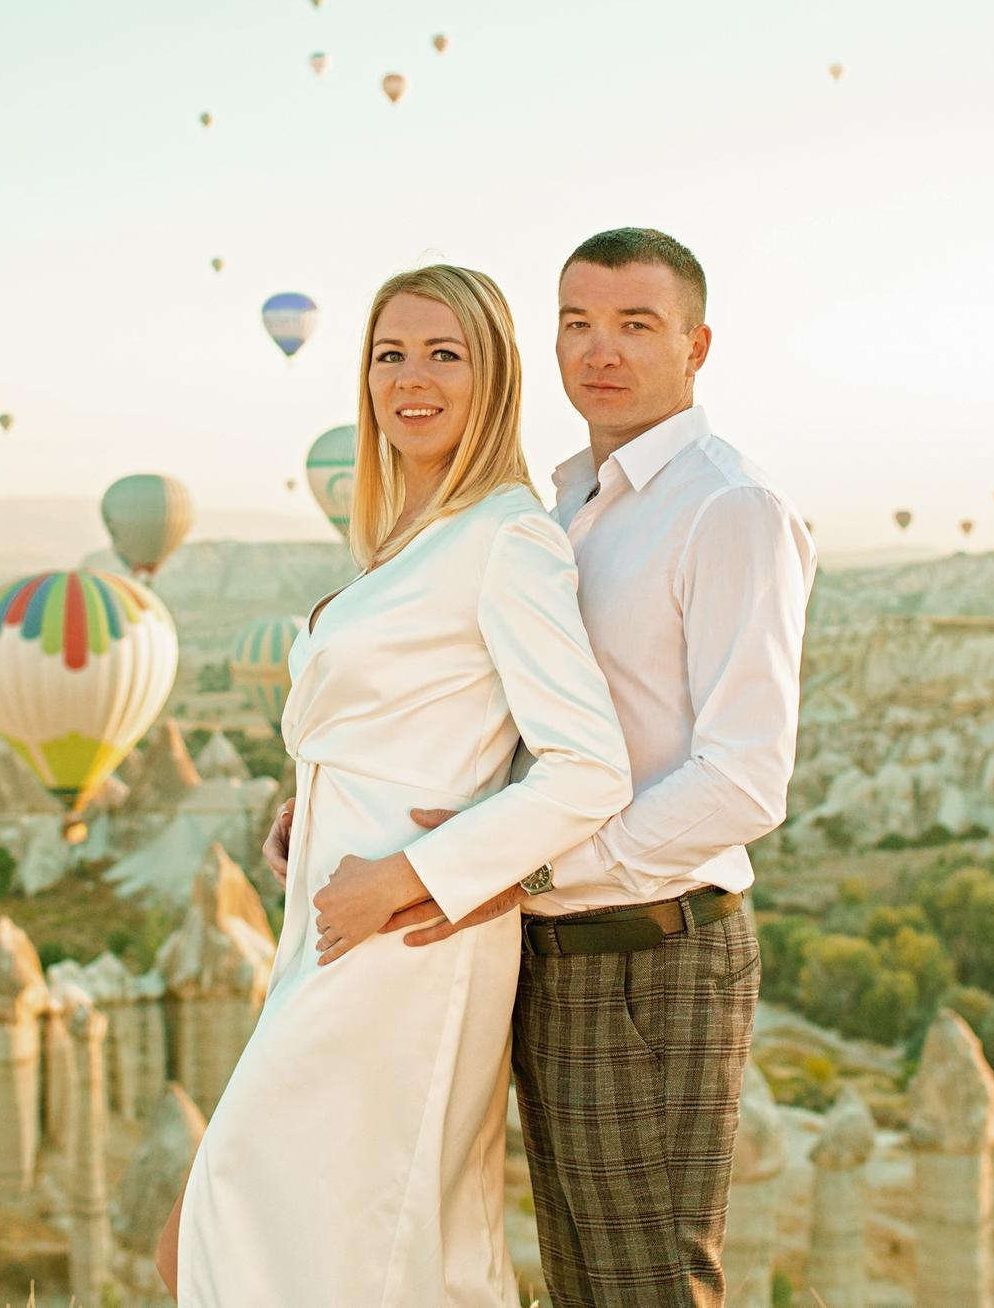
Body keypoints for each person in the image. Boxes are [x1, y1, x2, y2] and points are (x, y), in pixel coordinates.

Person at [275, 226, 816, 1308]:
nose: (599, 351)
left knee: (643, 1286)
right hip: (545, 952)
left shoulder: (726, 509)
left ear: (697, 345)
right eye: (577, 324)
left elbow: (745, 780)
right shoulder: (570, 501)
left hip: (647, 955)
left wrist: (511, 875)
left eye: (635, 326)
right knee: (577, 1282)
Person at [160, 262, 634, 1308]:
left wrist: (410, 873)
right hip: (332, 921)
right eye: (388, 354)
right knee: (310, 1242)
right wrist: (312, 812)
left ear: (495, 376)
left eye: (443, 354)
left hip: (402, 941)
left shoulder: (505, 537)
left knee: (287, 1231)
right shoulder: (407, 542)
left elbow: (588, 767)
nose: (409, 379)